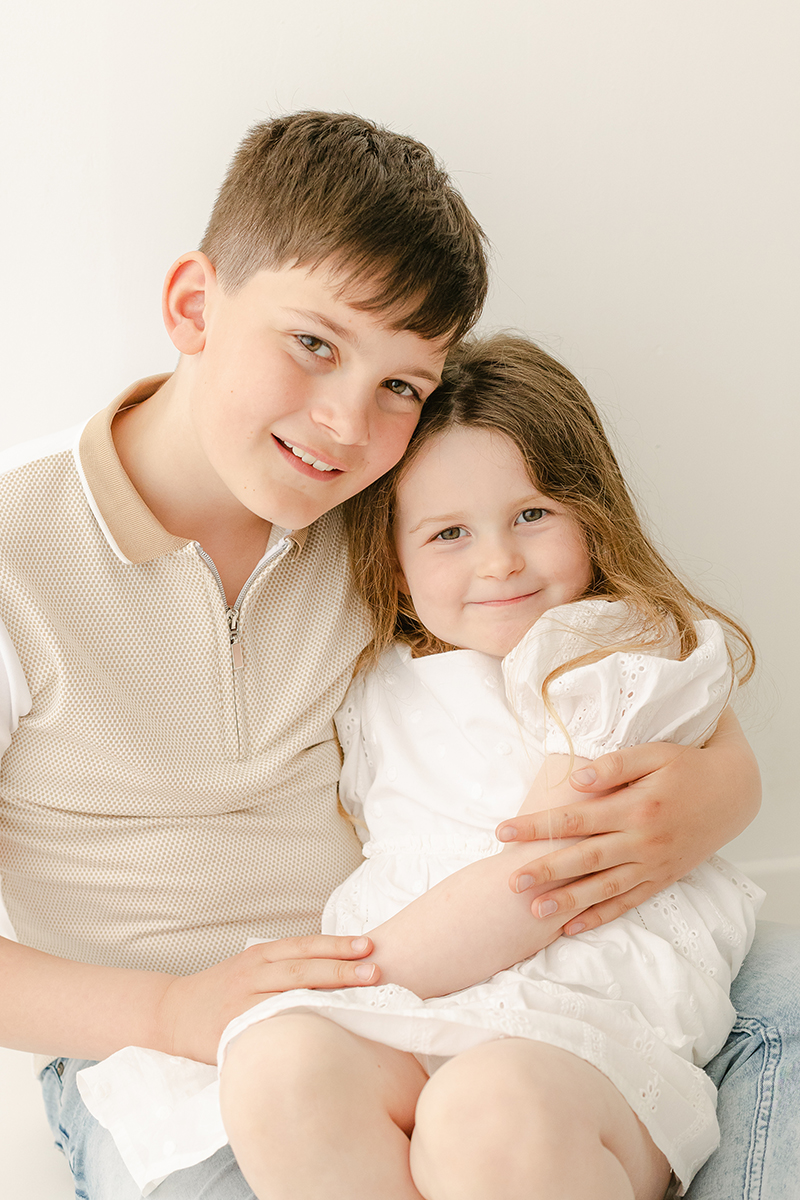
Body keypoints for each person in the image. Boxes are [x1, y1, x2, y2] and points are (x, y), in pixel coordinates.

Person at [0, 111, 791, 1199]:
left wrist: (721, 789)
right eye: (312, 344)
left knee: (768, 1008)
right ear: (193, 304)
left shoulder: (387, 517)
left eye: (398, 387)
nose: (340, 424)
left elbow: (611, 653)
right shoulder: (17, 552)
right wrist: (166, 1011)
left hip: (472, 987)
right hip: (197, 1043)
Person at [76, 333, 760, 1199]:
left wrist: (350, 974)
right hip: (415, 1000)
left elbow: (539, 884)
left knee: (486, 1108)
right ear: (394, 570)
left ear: (592, 514)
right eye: (448, 533)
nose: (499, 560)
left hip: (566, 997)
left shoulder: (605, 653)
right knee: (278, 1067)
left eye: (532, 515)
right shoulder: (378, 674)